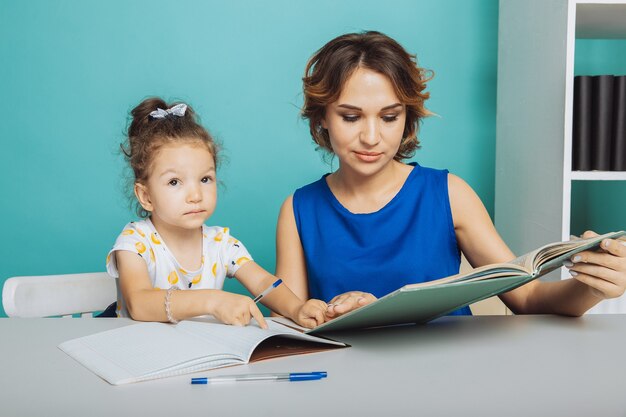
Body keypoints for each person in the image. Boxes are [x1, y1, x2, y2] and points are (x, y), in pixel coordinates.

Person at [275, 31, 626, 319]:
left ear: (407, 118)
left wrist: (591, 287)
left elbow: (529, 299)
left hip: (449, 379)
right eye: (351, 117)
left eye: (389, 117)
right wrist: (331, 313)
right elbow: (293, 321)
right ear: (322, 117)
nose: (371, 137)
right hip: (344, 384)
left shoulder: (449, 193)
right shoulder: (299, 209)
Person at [106, 97, 327, 328]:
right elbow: (139, 303)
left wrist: (297, 308)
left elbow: (262, 281)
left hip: (200, 355)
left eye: (205, 179)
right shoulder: (135, 242)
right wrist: (212, 301)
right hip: (140, 356)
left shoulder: (221, 244)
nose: (195, 195)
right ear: (146, 196)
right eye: (174, 182)